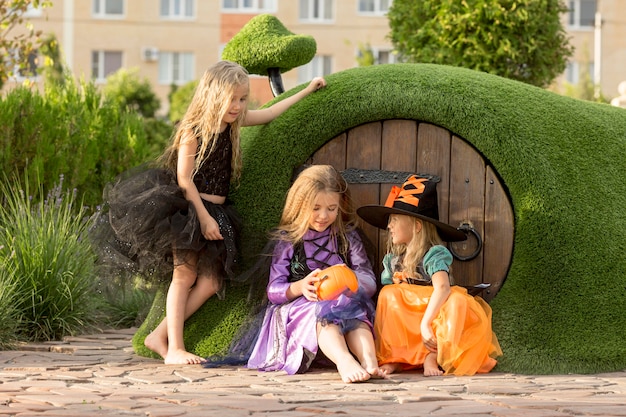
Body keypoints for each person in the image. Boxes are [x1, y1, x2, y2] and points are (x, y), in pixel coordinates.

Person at [97, 60, 326, 365]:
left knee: (211, 283)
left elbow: (270, 112)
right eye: (232, 99)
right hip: (188, 210)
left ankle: (159, 335)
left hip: (217, 211)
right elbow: (184, 179)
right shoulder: (194, 130)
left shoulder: (232, 125)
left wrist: (307, 90)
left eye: (242, 99)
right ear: (214, 95)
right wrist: (203, 218)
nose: (238, 106)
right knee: (184, 275)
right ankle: (174, 348)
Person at [246, 165, 385, 383]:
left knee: (355, 314)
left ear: (340, 206)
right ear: (300, 205)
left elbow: (369, 279)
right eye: (316, 208)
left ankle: (369, 361)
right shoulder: (289, 240)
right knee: (323, 313)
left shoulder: (347, 237)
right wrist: (300, 287)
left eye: (331, 208)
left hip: (344, 301)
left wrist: (353, 281)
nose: (323, 215)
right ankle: (344, 360)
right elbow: (274, 290)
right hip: (303, 306)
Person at [357, 175, 502, 376]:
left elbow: (442, 287)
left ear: (416, 226)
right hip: (408, 316)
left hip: (433, 313)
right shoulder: (392, 260)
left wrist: (426, 322)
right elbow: (389, 312)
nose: (389, 226)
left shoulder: (433, 255)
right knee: (388, 294)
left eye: (395, 220)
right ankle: (396, 357)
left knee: (458, 301)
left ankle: (432, 356)